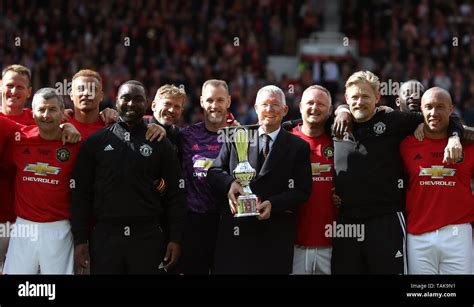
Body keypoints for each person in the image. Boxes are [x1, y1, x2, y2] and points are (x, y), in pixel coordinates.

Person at [331, 71, 464, 274]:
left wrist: (455, 137)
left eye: (365, 96)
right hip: (346, 223)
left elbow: (443, 117)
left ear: (377, 97)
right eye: (354, 97)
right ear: (347, 98)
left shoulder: (394, 120)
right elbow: (301, 123)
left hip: (386, 222)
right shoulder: (335, 125)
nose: (359, 102)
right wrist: (341, 111)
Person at [71, 80, 186, 274]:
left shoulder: (161, 143)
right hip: (105, 237)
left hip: (148, 237)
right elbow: (80, 193)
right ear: (116, 102)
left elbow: (175, 194)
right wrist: (80, 239)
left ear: (146, 104)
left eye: (138, 99)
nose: (131, 104)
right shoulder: (95, 143)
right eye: (126, 98)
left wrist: (175, 238)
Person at [207, 85, 312, 274]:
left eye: (275, 105)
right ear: (256, 108)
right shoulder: (236, 136)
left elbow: (303, 190)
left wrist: (274, 203)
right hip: (236, 235)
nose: (269, 110)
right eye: (264, 105)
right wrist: (230, 184)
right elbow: (214, 172)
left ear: (285, 110)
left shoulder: (299, 147)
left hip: (275, 236)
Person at [2, 88, 81, 274]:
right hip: (23, 227)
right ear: (33, 112)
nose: (46, 115)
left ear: (63, 113)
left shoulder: (75, 144)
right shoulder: (18, 138)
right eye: (41, 110)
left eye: (53, 109)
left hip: (59, 228)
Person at [400, 87, 474, 274]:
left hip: (458, 234)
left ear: (451, 109)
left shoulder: (469, 144)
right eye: (429, 107)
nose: (434, 113)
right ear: (421, 111)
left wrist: (457, 136)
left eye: (440, 107)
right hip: (417, 236)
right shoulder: (405, 144)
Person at [178, 79, 234, 274]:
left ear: (228, 101)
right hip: (195, 223)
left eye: (220, 100)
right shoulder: (186, 136)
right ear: (201, 102)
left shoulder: (242, 136)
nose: (214, 105)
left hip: (230, 223)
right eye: (210, 100)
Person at [290, 85, 335, 275]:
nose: (314, 108)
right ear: (300, 106)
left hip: (333, 243)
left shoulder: (340, 140)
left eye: (321, 104)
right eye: (310, 102)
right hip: (292, 243)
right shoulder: (286, 139)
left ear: (331, 109)